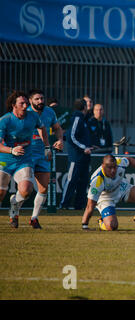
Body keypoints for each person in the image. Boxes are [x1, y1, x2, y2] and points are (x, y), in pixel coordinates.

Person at [0, 91, 50, 228]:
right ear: (13, 105)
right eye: (21, 103)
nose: (25, 106)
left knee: (27, 189)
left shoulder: (33, 116)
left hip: (24, 159)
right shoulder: (5, 120)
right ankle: (13, 207)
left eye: (26, 103)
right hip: (5, 160)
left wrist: (47, 147)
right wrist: (11, 150)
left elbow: (42, 128)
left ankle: (14, 207)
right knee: (1, 193)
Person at [81, 154, 135, 231]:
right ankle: (101, 221)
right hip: (106, 198)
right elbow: (90, 206)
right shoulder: (97, 181)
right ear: (103, 166)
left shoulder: (120, 162)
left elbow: (129, 160)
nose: (113, 170)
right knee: (112, 226)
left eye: (114, 167)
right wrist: (85, 225)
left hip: (121, 187)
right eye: (109, 168)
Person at [27, 89, 64, 228]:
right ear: (30, 101)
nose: (40, 101)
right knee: (26, 190)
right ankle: (15, 210)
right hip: (27, 153)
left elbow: (57, 128)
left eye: (42, 98)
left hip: (44, 153)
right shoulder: (25, 113)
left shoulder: (49, 112)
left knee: (43, 188)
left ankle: (34, 218)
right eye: (37, 99)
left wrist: (60, 140)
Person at [59, 98, 93, 210]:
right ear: (84, 107)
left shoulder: (83, 119)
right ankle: (64, 204)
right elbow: (71, 137)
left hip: (84, 158)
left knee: (83, 182)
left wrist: (90, 146)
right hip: (76, 157)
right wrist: (84, 148)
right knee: (71, 180)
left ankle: (79, 205)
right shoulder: (77, 118)